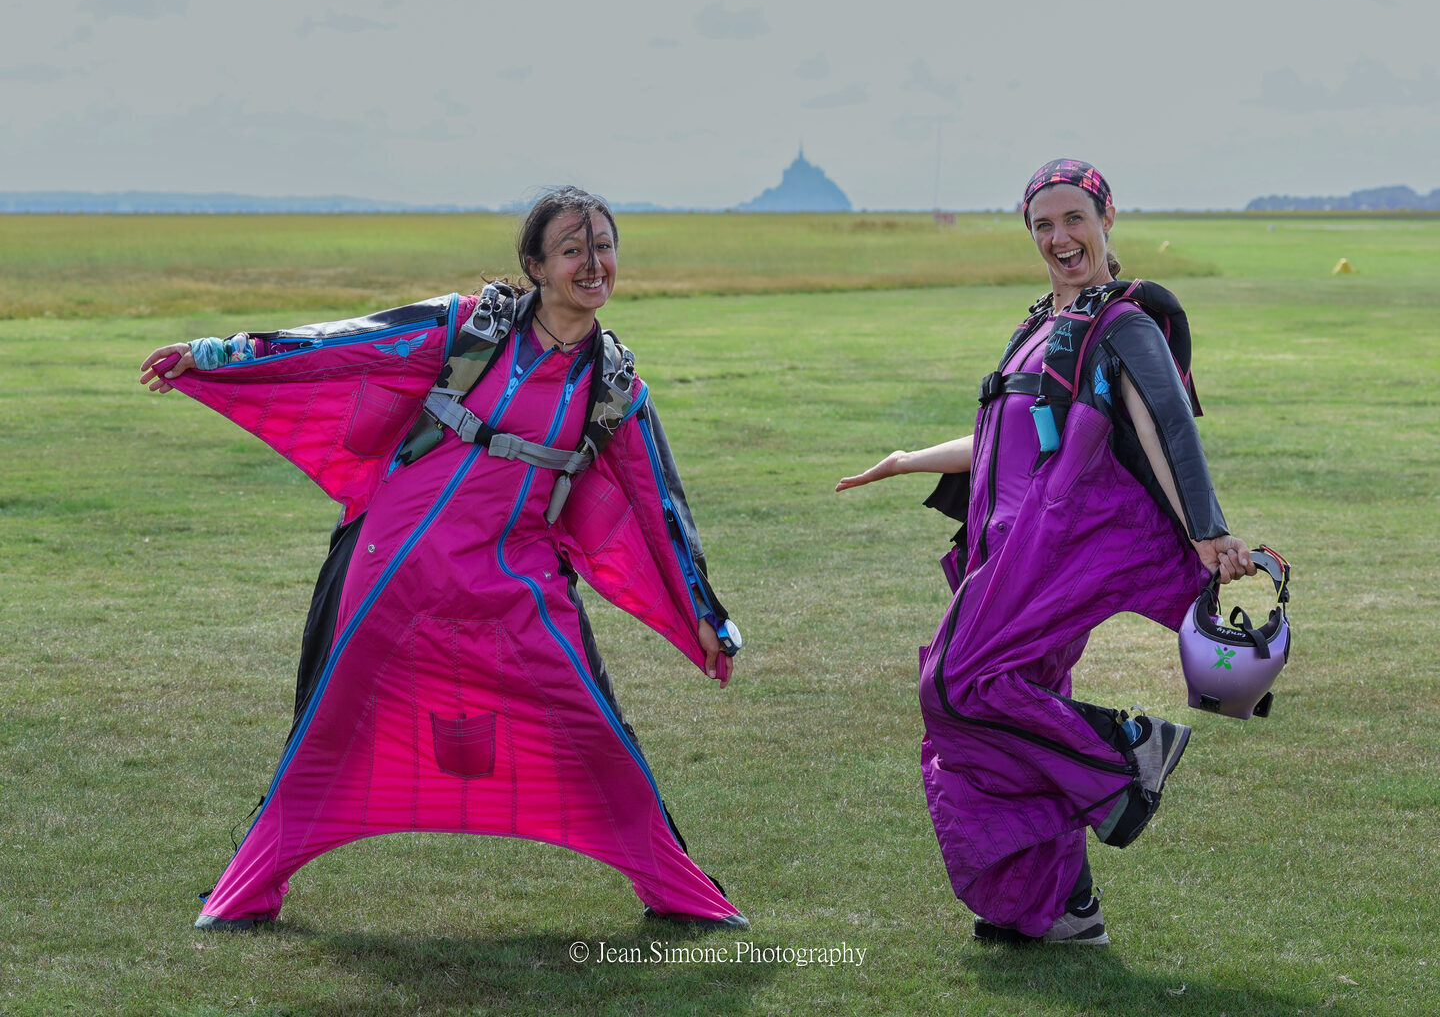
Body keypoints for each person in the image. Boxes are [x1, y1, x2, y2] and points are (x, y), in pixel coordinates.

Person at [141, 187, 747, 930]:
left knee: (597, 733)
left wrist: (703, 615)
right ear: (535, 265)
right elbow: (338, 346)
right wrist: (216, 356)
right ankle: (246, 892)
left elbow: (659, 507)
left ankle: (677, 891)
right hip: (398, 565)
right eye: (572, 250)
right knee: (327, 732)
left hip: (517, 584)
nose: (594, 264)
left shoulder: (614, 384)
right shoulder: (470, 329)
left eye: (603, 247)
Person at [836, 159, 1255, 945]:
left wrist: (1209, 530)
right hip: (1005, 551)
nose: (1060, 237)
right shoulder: (1043, 323)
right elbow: (1007, 436)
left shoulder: (1121, 323)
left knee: (955, 686)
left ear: (1106, 218)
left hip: (1053, 554)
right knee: (1006, 719)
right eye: (1043, 224)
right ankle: (1063, 907)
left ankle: (1125, 751)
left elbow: (1166, 424)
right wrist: (906, 460)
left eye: (1074, 219)